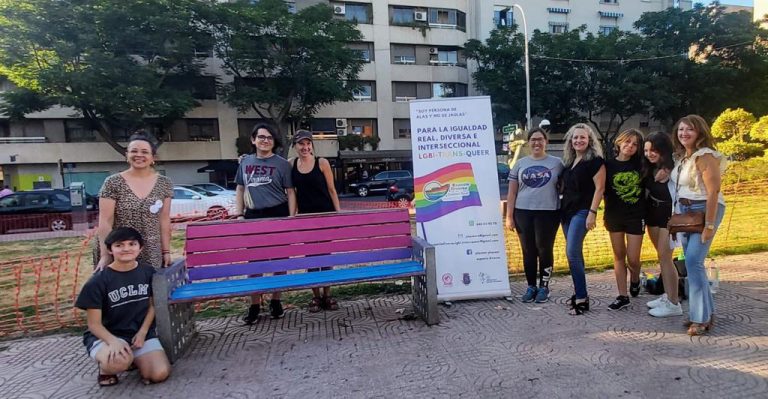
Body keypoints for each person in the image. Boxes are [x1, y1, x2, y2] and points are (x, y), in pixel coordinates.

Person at [76, 227, 171, 387]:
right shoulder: (98, 281)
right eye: (119, 245)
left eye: (132, 244)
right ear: (110, 250)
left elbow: (153, 305)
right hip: (107, 336)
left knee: (159, 373)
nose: (126, 249)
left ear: (140, 248)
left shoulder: (148, 272)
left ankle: (135, 358)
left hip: (138, 334)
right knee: (118, 362)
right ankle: (106, 370)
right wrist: (113, 342)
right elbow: (94, 325)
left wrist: (143, 333)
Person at [670, 115, 727, 336]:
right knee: (692, 263)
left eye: (689, 130)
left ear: (700, 132)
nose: (684, 133)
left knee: (693, 261)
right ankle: (706, 314)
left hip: (703, 209)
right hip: (685, 211)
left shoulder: (705, 155)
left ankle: (700, 318)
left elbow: (713, 191)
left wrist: (709, 225)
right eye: (681, 129)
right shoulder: (684, 157)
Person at [236, 123, 297, 324]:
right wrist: (239, 214)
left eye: (269, 137)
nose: (265, 140)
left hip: (278, 213)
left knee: (279, 261)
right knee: (254, 263)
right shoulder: (245, 162)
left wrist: (290, 218)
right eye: (261, 137)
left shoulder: (282, 164)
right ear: (253, 140)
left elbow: (290, 192)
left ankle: (276, 301)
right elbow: (240, 188)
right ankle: (254, 304)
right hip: (253, 215)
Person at [96, 132, 173, 270]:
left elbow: (164, 219)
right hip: (120, 249)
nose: (139, 155)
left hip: (151, 249)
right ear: (127, 155)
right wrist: (105, 255)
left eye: (145, 152)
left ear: (153, 157)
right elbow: (105, 220)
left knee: (151, 282)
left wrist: (166, 251)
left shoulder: (164, 183)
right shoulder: (113, 182)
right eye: (134, 151)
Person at [505, 128, 563, 303]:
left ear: (546, 142)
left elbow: (565, 186)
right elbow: (512, 193)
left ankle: (544, 287)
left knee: (544, 249)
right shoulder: (520, 164)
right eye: (533, 139)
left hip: (549, 212)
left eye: (540, 139)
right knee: (528, 250)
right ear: (528, 142)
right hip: (523, 212)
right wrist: (509, 216)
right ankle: (531, 286)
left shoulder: (557, 163)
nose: (537, 143)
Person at [290, 130, 342, 312]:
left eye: (308, 143)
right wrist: (292, 216)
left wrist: (338, 213)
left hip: (325, 216)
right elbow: (292, 192)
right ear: (295, 146)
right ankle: (316, 296)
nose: (305, 147)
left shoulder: (322, 163)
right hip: (305, 218)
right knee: (311, 258)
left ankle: (327, 294)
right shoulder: (291, 164)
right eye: (301, 144)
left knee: (326, 257)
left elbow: (332, 189)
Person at [560, 123, 606, 316]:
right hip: (566, 212)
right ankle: (579, 292)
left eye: (582, 137)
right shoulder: (570, 162)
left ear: (590, 140)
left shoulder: (595, 161)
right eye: (575, 137)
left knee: (572, 253)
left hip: (583, 211)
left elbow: (600, 188)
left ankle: (582, 298)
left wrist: (592, 212)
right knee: (575, 254)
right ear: (571, 141)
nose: (578, 140)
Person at [603, 129, 646, 311]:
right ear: (619, 142)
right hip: (614, 215)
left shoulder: (641, 165)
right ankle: (622, 295)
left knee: (633, 259)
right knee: (619, 255)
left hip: (636, 216)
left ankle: (635, 279)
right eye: (627, 142)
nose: (630, 146)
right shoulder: (608, 165)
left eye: (635, 144)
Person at [643, 132, 682, 317]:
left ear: (663, 149)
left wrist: (669, 170)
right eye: (646, 150)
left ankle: (674, 304)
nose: (649, 154)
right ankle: (668, 295)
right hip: (652, 214)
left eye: (653, 150)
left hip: (669, 216)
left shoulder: (675, 168)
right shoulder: (649, 167)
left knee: (666, 257)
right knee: (661, 256)